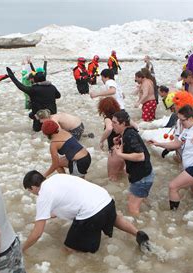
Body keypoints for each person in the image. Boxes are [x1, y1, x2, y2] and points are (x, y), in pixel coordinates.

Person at [22, 171, 151, 253]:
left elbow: (38, 233)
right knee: (114, 218)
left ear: (33, 187)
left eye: (29, 190)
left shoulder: (43, 195)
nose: (32, 193)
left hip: (91, 213)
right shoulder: (57, 177)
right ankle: (138, 233)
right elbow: (69, 198)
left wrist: (22, 249)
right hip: (105, 200)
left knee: (68, 248)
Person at [149, 105, 193, 211]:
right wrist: (158, 144)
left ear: (190, 118)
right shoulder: (186, 130)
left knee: (173, 186)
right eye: (179, 119)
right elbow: (176, 144)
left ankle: (173, 215)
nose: (180, 123)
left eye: (182, 120)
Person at [111, 110, 154, 217]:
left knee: (132, 209)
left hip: (142, 177)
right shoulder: (127, 133)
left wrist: (120, 154)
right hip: (143, 175)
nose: (112, 125)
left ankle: (139, 228)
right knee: (137, 200)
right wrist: (119, 142)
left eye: (115, 123)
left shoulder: (129, 135)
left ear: (123, 124)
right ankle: (150, 214)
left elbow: (140, 156)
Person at [6, 66, 61, 132]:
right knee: (51, 132)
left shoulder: (33, 89)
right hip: (52, 114)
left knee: (37, 131)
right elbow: (58, 96)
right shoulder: (52, 87)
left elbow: (20, 86)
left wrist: (11, 76)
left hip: (39, 115)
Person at [98, 97, 126, 181]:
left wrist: (101, 141)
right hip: (125, 149)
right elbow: (135, 126)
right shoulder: (122, 114)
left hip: (115, 150)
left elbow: (109, 128)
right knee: (122, 174)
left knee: (112, 178)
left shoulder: (108, 118)